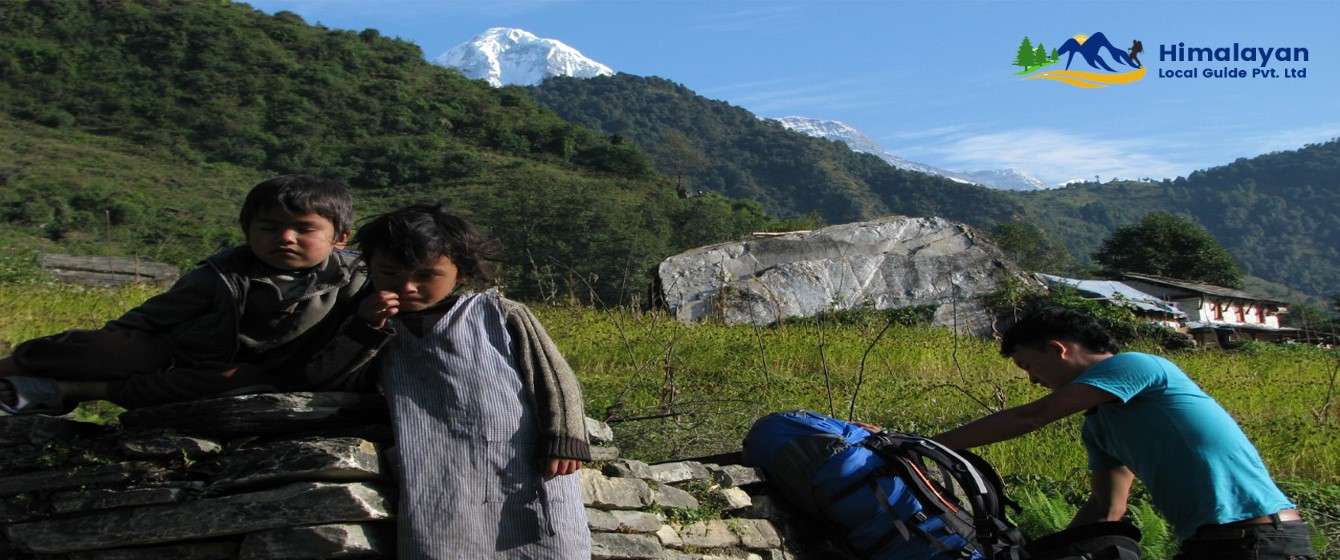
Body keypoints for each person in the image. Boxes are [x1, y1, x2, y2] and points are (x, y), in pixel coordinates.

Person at [931, 307, 1315, 560]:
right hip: (1207, 545)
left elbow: (1034, 416)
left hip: (1259, 541)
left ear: (1057, 349)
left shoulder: (1137, 366)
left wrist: (925, 447)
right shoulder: (1099, 425)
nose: (1032, 379)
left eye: (1029, 365)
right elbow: (1105, 508)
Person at [334, 202, 590, 559]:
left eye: (425, 276)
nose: (406, 286)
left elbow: (555, 376)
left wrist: (565, 437)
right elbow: (336, 378)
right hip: (433, 464)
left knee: (546, 541)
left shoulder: (499, 313)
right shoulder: (372, 323)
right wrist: (365, 329)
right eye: (389, 273)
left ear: (463, 273)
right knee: (441, 542)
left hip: (517, 457)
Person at [0, 174, 374, 413]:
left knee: (236, 380)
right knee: (110, 347)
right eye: (270, 227)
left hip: (248, 373)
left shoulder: (358, 279)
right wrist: (106, 348)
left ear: (340, 239)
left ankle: (76, 390)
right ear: (248, 231)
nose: (286, 237)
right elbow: (150, 318)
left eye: (304, 229)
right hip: (182, 355)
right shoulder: (224, 273)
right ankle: (11, 371)